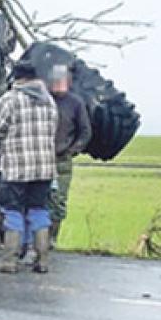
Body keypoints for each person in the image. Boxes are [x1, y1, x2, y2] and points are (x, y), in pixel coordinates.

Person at [0, 60, 58, 274]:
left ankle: (10, 261)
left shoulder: (10, 100)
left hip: (17, 168)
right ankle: (42, 260)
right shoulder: (49, 101)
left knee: (13, 211)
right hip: (45, 168)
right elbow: (54, 128)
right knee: (39, 210)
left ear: (16, 78)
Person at [47, 64, 92, 246]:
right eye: (55, 82)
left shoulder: (75, 103)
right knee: (38, 201)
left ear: (68, 82)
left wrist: (73, 150)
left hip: (62, 160)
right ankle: (36, 241)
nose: (58, 85)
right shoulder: (44, 100)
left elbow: (85, 131)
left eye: (62, 82)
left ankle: (52, 239)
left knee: (58, 201)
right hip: (41, 158)